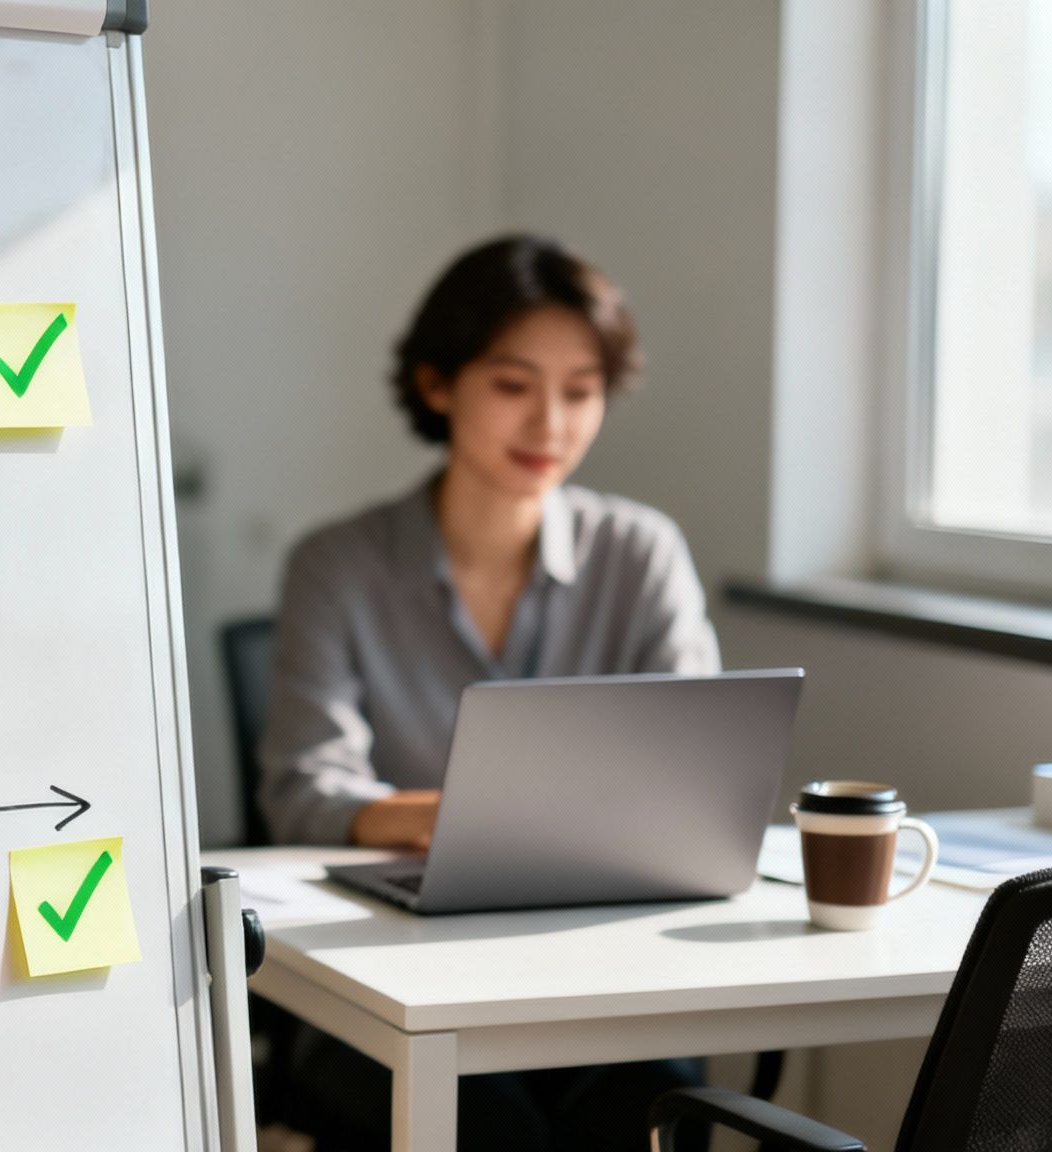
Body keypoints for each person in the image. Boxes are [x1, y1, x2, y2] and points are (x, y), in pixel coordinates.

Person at [258, 234, 718, 1151]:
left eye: (581, 391)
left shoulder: (641, 552)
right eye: (514, 385)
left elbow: (698, 778)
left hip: (596, 975)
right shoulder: (338, 565)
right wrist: (484, 818)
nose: (551, 423)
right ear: (438, 385)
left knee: (661, 1103)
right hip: (388, 986)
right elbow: (304, 793)